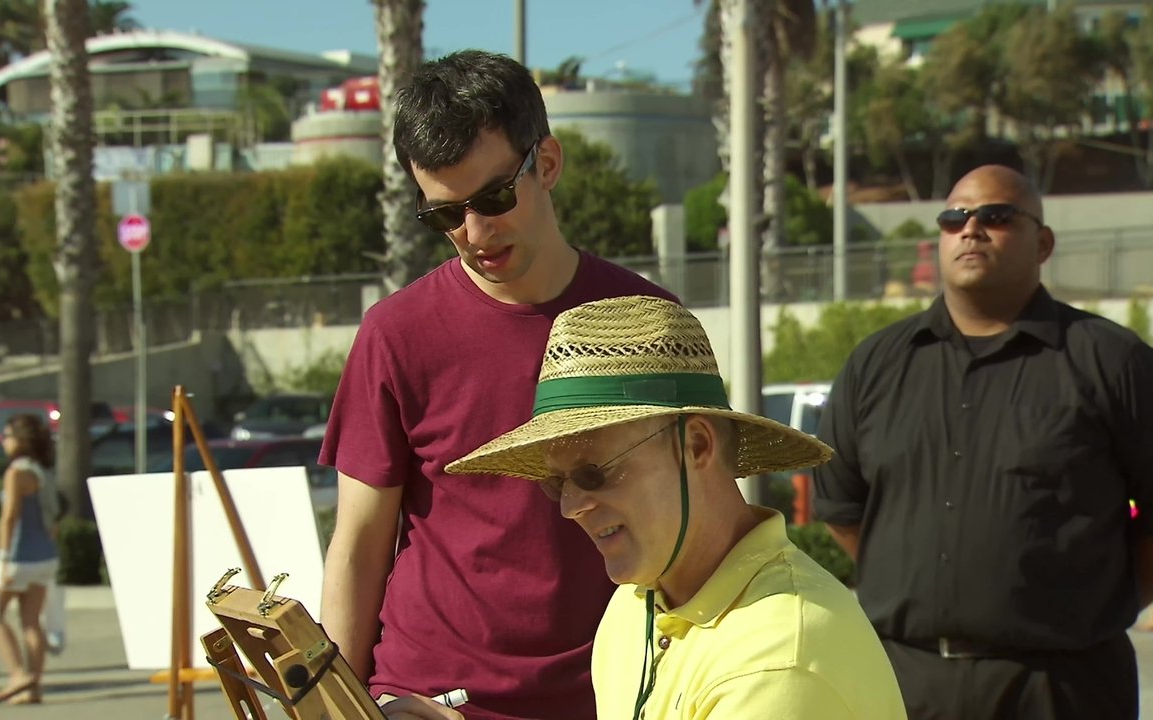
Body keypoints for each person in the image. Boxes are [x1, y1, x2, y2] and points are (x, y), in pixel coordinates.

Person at [318, 49, 678, 720]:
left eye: (493, 198)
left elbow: (695, 524)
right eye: (446, 215)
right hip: (427, 699)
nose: (475, 232)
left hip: (614, 694)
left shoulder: (647, 322)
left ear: (548, 163)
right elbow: (360, 544)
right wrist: (336, 711)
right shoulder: (395, 334)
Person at [400, 295, 903, 720]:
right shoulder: (637, 604)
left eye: (593, 471)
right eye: (556, 482)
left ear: (697, 446)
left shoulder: (776, 662)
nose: (571, 506)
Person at [813, 164, 1153, 720]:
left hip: (1064, 688)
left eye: (995, 216)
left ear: (1042, 244)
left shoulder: (1113, 362)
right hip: (907, 684)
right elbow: (843, 510)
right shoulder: (876, 365)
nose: (970, 229)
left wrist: (1100, 601)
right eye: (954, 217)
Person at [0, 413, 61, 705]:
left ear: (20, 440)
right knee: (31, 621)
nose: (3, 442)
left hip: (19, 556)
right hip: (45, 555)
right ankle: (33, 688)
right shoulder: (43, 472)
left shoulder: (16, 473)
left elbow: (9, 517)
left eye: (6, 436)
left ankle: (17, 674)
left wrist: (3, 557)